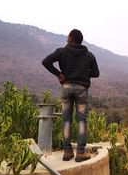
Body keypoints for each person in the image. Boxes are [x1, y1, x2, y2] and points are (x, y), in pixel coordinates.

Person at [42, 29, 99, 162]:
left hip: (66, 88)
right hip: (82, 89)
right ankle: (80, 153)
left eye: (68, 36)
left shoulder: (62, 52)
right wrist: (83, 73)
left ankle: (67, 152)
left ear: (72, 38)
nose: (67, 38)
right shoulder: (89, 55)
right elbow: (96, 73)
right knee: (81, 121)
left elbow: (46, 62)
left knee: (66, 120)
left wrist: (59, 73)